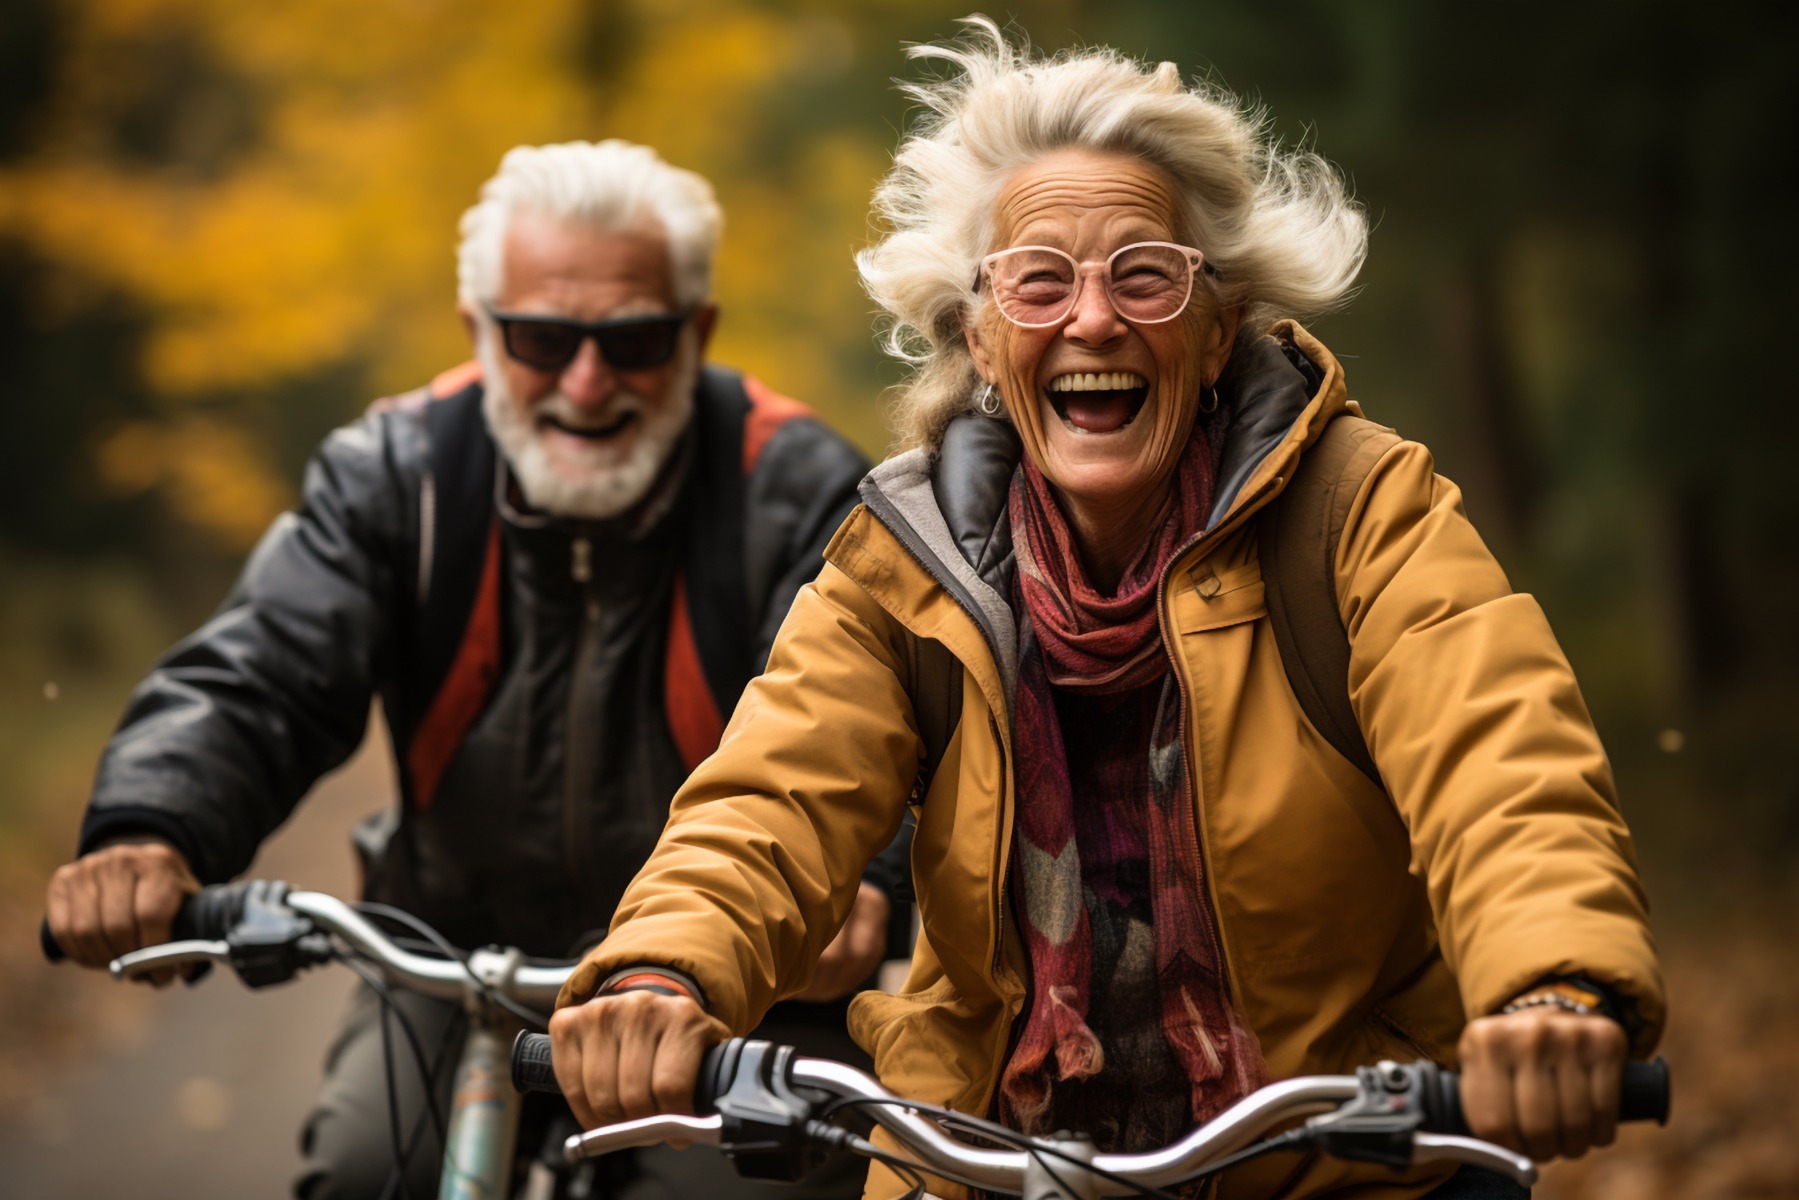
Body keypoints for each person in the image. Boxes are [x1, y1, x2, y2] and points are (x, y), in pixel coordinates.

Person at [544, 21, 1668, 1200]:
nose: (1090, 320)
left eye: (1143, 273)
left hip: (1345, 1161)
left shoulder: (1358, 512)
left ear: (1217, 322)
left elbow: (1500, 763)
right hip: (992, 1163)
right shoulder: (905, 562)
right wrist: (660, 976)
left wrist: (1552, 987)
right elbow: (769, 800)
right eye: (1038, 280)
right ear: (980, 335)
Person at [43, 139, 901, 1199]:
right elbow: (261, 669)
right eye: (541, 337)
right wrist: (148, 826)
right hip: (452, 959)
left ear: (697, 331)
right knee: (367, 1172)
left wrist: (869, 886)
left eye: (632, 339)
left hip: (736, 983)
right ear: (478, 332)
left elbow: (859, 734)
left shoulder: (801, 490)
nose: (586, 383)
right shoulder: (397, 474)